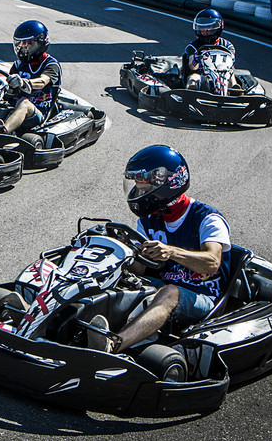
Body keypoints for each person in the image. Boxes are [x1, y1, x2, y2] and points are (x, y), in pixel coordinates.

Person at [87, 145, 232, 354]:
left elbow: (212, 263)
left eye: (144, 189)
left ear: (166, 184)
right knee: (117, 277)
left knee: (170, 292)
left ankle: (113, 344)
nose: (138, 193)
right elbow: (141, 269)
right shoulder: (148, 221)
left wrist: (171, 252)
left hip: (203, 295)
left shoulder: (207, 218)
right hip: (164, 283)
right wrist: (127, 251)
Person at [0, 20, 61, 134]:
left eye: (28, 43)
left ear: (40, 42)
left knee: (24, 103)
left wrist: (24, 82)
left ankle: (2, 132)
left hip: (38, 111)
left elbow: (43, 81)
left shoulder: (51, 64)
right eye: (21, 44)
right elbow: (11, 89)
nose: (23, 47)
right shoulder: (18, 65)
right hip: (14, 106)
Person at [183, 9, 237, 91]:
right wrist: (196, 59)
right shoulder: (193, 46)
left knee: (231, 77)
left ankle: (234, 92)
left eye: (208, 28)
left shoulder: (227, 45)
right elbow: (192, 66)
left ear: (217, 26)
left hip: (222, 74)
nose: (204, 31)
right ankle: (190, 95)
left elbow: (231, 60)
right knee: (193, 79)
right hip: (200, 74)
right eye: (202, 28)